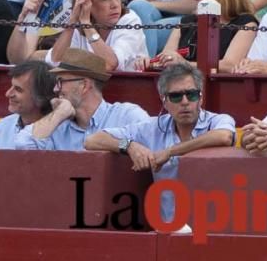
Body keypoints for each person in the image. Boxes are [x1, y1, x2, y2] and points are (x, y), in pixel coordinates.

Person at [85, 63, 235, 221]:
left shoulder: (217, 121)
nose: (184, 102)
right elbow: (92, 140)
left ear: (201, 98)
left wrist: (170, 152)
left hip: (214, 226)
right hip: (169, 229)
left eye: (191, 95)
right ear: (164, 102)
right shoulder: (153, 127)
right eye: (176, 96)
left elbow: (224, 136)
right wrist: (129, 146)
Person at [15, 49, 149, 150]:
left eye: (60, 81)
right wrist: (58, 114)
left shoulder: (125, 115)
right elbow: (22, 145)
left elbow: (154, 144)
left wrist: (124, 144)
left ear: (84, 85)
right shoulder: (57, 125)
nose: (55, 89)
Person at [135, 0, 258, 73]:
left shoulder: (246, 23)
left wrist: (185, 64)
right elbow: (166, 58)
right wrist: (149, 63)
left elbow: (230, 65)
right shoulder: (186, 22)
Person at [46, 0, 149, 72]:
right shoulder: (79, 23)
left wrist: (87, 24)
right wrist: (72, 23)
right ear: (88, 4)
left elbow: (110, 64)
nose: (115, 4)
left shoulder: (129, 20)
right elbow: (55, 60)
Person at [0, 61, 57, 149]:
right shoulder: (2, 126)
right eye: (11, 86)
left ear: (41, 97)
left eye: (18, 89)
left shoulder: (62, 133)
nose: (8, 94)